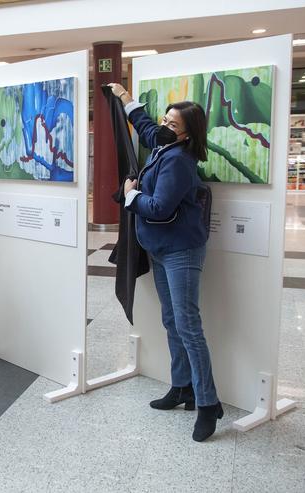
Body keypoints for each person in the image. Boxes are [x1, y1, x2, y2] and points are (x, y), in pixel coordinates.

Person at [109, 83, 221, 442]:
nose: (164, 126)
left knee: (188, 326)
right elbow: (144, 126)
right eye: (165, 120)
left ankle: (208, 404)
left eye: (173, 124)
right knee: (172, 320)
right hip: (160, 248)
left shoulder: (179, 162)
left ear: (189, 133)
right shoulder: (163, 143)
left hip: (181, 252)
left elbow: (159, 207)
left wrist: (130, 197)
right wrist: (125, 98)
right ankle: (182, 387)